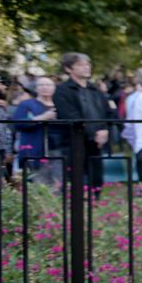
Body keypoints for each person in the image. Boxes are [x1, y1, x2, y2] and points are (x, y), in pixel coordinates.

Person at [52, 52, 114, 190]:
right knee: (76, 181)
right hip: (74, 142)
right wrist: (94, 132)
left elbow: (108, 112)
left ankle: (95, 205)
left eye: (88, 64)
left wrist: (104, 130)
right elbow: (70, 116)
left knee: (96, 179)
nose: (86, 67)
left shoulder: (95, 90)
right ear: (68, 69)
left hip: (96, 143)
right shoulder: (63, 90)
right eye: (80, 65)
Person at [11, 75, 58, 181]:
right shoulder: (27, 104)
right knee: (35, 185)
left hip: (57, 151)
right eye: (41, 85)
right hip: (33, 151)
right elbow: (17, 123)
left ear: (54, 88)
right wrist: (42, 118)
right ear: (36, 88)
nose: (44, 87)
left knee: (58, 185)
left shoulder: (60, 104)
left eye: (48, 85)